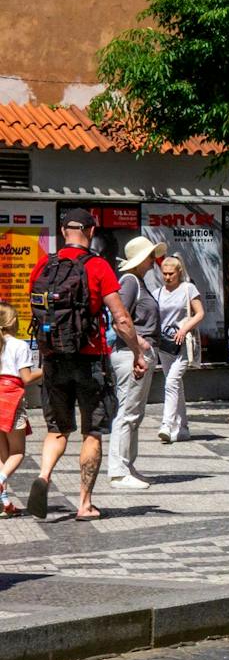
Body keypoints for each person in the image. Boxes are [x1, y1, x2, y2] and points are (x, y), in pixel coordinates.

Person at [21, 209, 142, 521]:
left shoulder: (43, 266)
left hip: (53, 358)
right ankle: (85, 503)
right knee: (92, 431)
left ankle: (44, 475)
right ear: (91, 231)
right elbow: (121, 318)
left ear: (63, 231)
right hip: (90, 361)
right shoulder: (98, 266)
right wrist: (137, 353)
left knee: (57, 430)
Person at [105, 235, 163, 488]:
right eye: (150, 256)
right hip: (131, 354)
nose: (153, 260)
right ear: (140, 259)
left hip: (135, 352)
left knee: (134, 412)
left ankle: (126, 465)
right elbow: (119, 319)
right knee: (128, 412)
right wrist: (139, 344)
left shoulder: (137, 282)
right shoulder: (130, 282)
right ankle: (118, 471)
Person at [154, 255, 205, 444]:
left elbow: (200, 313)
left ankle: (167, 424)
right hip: (165, 344)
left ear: (179, 272)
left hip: (183, 343)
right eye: (165, 274)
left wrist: (184, 329)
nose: (167, 277)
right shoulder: (158, 293)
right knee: (175, 384)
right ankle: (182, 428)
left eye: (171, 274)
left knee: (171, 382)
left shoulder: (187, 288)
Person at [0, 304, 43, 516]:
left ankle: (4, 503)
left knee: (2, 455)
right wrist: (45, 370)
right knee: (17, 452)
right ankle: (0, 481)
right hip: (11, 399)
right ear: (13, 322)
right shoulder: (19, 345)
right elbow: (26, 378)